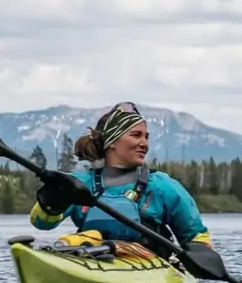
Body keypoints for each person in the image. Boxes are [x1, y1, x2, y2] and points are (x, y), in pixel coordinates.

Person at [30, 101, 217, 261]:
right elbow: (41, 223)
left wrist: (200, 253)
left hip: (150, 264)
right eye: (136, 135)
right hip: (89, 257)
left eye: (146, 137)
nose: (144, 143)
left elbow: (196, 235)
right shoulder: (78, 184)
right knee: (85, 238)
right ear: (112, 142)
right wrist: (51, 200)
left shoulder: (162, 186)